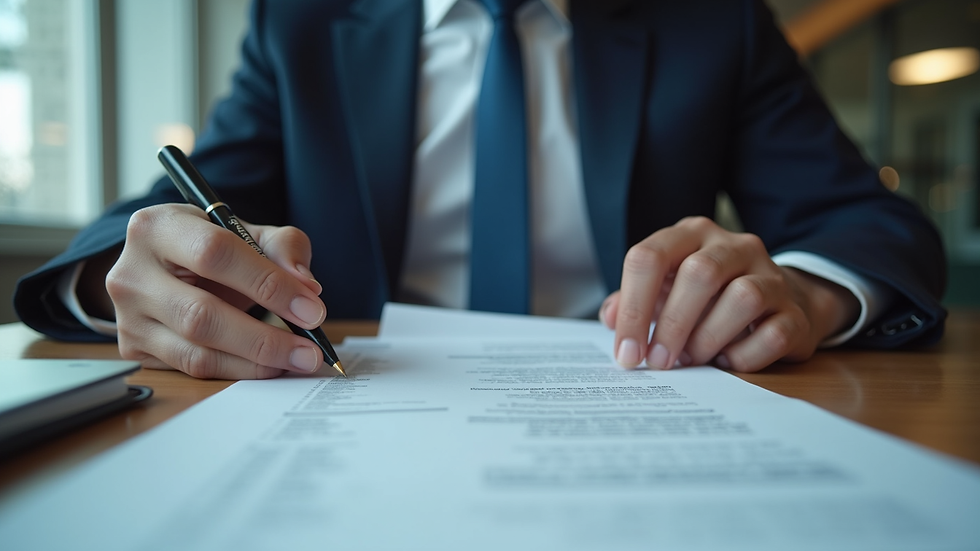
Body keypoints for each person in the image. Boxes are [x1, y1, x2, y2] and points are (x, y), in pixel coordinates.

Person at [14, 0, 946, 380]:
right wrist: (117, 281)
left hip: (637, 399)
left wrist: (809, 294)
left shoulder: (714, 22)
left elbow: (870, 224)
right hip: (359, 412)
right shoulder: (303, 24)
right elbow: (165, 218)